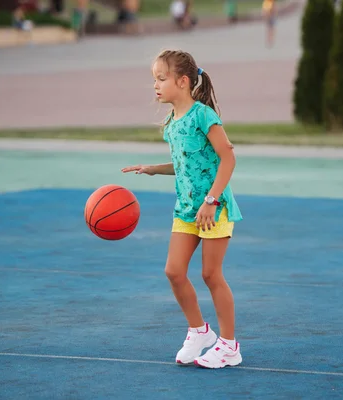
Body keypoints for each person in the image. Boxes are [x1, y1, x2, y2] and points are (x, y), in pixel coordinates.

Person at [121, 50, 243, 369]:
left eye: (161, 79)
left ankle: (229, 346)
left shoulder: (203, 115)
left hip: (214, 208)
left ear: (183, 81)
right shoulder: (171, 125)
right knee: (174, 272)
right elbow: (184, 164)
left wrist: (211, 200)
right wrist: (153, 168)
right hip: (186, 210)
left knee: (210, 274)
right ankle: (199, 331)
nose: (156, 86)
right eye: (154, 80)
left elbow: (228, 158)